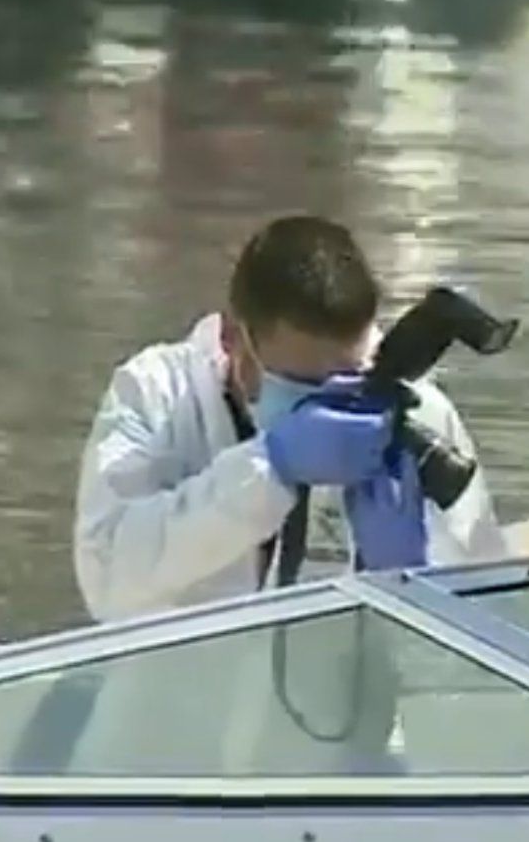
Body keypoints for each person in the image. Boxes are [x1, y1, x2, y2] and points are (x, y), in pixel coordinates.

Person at [72, 215, 507, 624]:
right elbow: (106, 584)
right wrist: (267, 471)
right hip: (183, 698)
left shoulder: (415, 410)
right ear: (231, 337)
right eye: (300, 383)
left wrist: (409, 575)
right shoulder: (157, 393)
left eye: (347, 380)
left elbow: (488, 608)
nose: (330, 404)